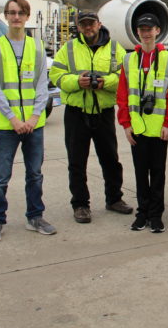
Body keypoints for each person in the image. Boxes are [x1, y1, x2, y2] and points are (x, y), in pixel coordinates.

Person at [0, 0, 55, 242]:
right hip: (6, 125)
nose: (16, 17)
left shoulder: (36, 47)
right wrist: (14, 119)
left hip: (34, 125)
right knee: (1, 176)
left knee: (35, 173)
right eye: (11, 13)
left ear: (26, 17)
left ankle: (35, 216)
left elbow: (42, 85)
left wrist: (35, 116)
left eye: (20, 13)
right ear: (6, 16)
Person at [49, 11, 131, 224]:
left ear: (98, 24)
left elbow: (125, 74)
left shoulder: (114, 48)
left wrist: (107, 82)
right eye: (83, 24)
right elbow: (56, 75)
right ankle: (80, 204)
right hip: (77, 113)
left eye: (91, 23)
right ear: (79, 26)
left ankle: (114, 199)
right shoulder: (68, 49)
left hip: (103, 112)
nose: (88, 27)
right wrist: (77, 81)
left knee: (111, 160)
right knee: (77, 161)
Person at [116, 14, 168, 233]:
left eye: (149, 29)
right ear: (138, 32)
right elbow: (122, 95)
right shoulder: (129, 59)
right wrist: (125, 124)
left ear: (157, 31)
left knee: (158, 173)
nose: (146, 33)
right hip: (137, 128)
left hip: (159, 128)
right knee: (140, 173)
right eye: (142, 29)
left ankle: (156, 214)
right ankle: (142, 212)